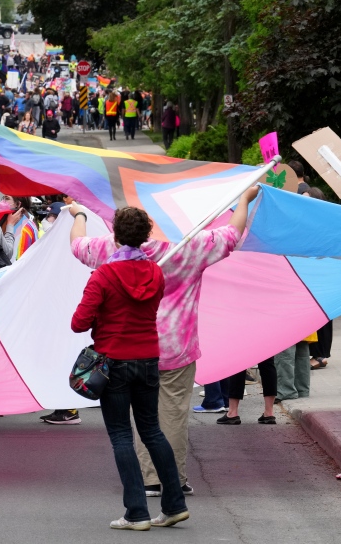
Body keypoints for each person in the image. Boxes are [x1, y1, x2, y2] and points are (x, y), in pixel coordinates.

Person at [69, 185, 260, 498]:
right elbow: (231, 234)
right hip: (176, 346)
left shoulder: (108, 251)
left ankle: (147, 480)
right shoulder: (189, 246)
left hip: (124, 351)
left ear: (118, 232)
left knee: (134, 419)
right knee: (170, 416)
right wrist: (243, 199)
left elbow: (77, 244)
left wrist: (77, 214)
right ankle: (172, 480)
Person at [70, 206, 189, 531]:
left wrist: (102, 318)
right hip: (150, 358)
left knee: (122, 434)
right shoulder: (155, 272)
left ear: (116, 235)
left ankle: (136, 512)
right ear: (146, 236)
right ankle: (174, 504)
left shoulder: (103, 275)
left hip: (114, 363)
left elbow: (78, 323)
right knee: (152, 431)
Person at [0, 194, 38, 261]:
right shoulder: (6, 221)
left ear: (18, 204)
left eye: (7, 199)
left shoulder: (25, 228)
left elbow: (21, 261)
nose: (2, 202)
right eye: (3, 198)